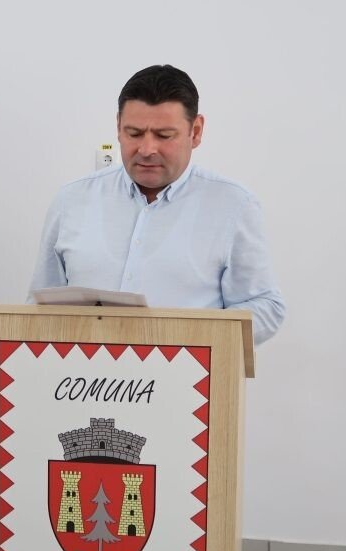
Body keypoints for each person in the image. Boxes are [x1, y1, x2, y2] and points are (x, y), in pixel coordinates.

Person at [28, 65, 285, 344]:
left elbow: (265, 306)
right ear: (118, 126)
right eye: (134, 133)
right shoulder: (71, 200)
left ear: (196, 131)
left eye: (164, 135)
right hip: (81, 371)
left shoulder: (234, 206)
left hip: (187, 369)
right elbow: (39, 306)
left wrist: (186, 338)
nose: (147, 149)